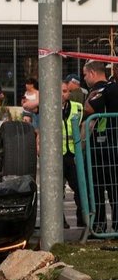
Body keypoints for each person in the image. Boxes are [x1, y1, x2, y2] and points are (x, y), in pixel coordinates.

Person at [82, 58, 118, 233]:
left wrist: (88, 97)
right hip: (113, 145)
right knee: (114, 189)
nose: (84, 79)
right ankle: (114, 226)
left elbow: (88, 108)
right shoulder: (114, 87)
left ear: (92, 73)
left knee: (97, 188)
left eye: (84, 75)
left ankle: (99, 227)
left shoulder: (100, 89)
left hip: (102, 146)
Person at [61, 80, 85, 228]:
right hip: (57, 155)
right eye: (61, 91)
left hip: (73, 155)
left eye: (65, 91)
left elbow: (84, 126)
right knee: (57, 190)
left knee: (79, 187)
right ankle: (60, 220)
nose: (63, 94)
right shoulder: (49, 109)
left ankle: (82, 219)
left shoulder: (78, 108)